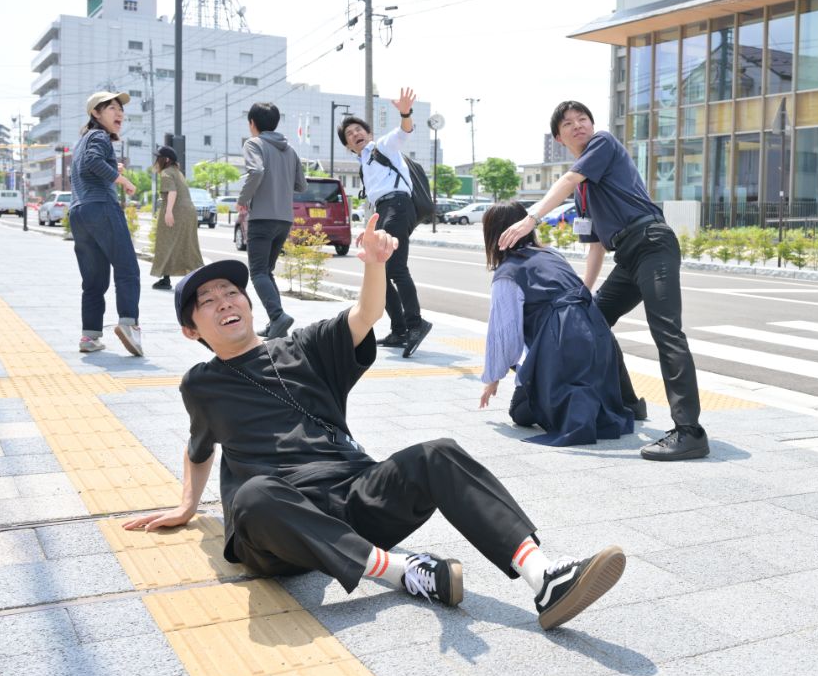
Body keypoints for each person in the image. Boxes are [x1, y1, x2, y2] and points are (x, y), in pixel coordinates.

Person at [120, 219, 626, 631]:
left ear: (249, 304)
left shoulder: (304, 346)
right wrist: (188, 505)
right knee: (253, 496)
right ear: (192, 331)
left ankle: (544, 578)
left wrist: (376, 265)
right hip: (279, 531)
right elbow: (199, 447)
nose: (224, 302)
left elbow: (366, 313)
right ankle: (406, 572)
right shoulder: (201, 384)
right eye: (206, 302)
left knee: (439, 452)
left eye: (231, 292)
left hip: (355, 499)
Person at [499, 101, 708, 462]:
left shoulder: (603, 145)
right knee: (591, 318)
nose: (578, 125)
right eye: (568, 123)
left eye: (583, 119)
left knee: (667, 332)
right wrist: (584, 290)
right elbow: (595, 244)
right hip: (628, 255)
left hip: (653, 243)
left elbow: (566, 179)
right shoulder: (583, 191)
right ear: (558, 136)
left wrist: (530, 218)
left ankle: (690, 431)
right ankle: (628, 402)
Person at [479, 201, 635, 446]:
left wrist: (493, 378)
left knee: (519, 413)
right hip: (594, 330)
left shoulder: (507, 274)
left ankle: (569, 404)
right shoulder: (551, 254)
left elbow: (505, 335)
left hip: (561, 342)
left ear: (492, 235)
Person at [337, 88, 431, 358]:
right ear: (348, 145)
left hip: (399, 206)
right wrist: (371, 230)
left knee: (395, 268)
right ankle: (400, 329)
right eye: (350, 134)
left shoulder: (382, 147)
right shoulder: (365, 162)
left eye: (358, 129)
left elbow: (404, 131)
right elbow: (376, 199)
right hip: (386, 210)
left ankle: (415, 324)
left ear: (367, 133)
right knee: (381, 269)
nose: (355, 134)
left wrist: (405, 113)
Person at [69, 90, 142, 356]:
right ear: (96, 114)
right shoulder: (99, 135)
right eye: (111, 108)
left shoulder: (82, 141)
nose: (119, 113)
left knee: (94, 280)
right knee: (127, 268)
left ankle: (89, 337)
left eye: (120, 109)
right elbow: (93, 161)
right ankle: (129, 325)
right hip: (101, 207)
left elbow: (88, 166)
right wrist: (122, 180)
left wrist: (113, 168)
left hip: (79, 213)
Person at [236, 102, 306, 339]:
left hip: (262, 218)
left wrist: (243, 199)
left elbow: (255, 171)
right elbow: (301, 185)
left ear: (252, 123)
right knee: (267, 271)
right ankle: (276, 321)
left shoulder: (254, 143)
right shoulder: (290, 150)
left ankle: (278, 316)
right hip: (284, 219)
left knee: (257, 272)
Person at [149, 146, 204, 291]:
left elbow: (172, 192)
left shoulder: (166, 172)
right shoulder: (179, 173)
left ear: (166, 160)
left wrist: (168, 212)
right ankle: (199, 276)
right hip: (189, 212)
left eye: (159, 158)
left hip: (176, 211)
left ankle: (166, 279)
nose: (157, 161)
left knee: (165, 243)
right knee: (188, 245)